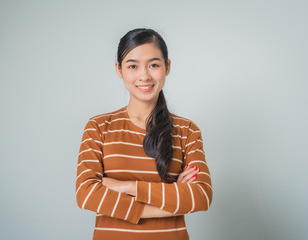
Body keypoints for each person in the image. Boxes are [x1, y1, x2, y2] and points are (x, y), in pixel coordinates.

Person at [75, 28, 212, 240]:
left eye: (154, 65)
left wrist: (125, 186)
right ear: (119, 70)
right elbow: (86, 194)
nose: (144, 76)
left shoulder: (187, 131)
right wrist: (173, 198)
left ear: (167, 67)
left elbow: (201, 196)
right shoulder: (98, 127)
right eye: (132, 66)